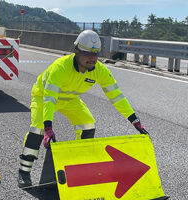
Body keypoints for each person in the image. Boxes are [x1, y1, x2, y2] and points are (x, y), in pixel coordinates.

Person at [17, 30, 149, 188]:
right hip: (43, 97)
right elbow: (50, 99)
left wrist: (135, 121)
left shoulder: (100, 70)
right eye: (87, 54)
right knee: (37, 128)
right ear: (76, 51)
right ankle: (24, 171)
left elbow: (117, 97)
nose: (92, 58)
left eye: (95, 54)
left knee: (88, 124)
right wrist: (48, 128)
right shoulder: (60, 67)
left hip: (70, 99)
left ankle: (76, 168)